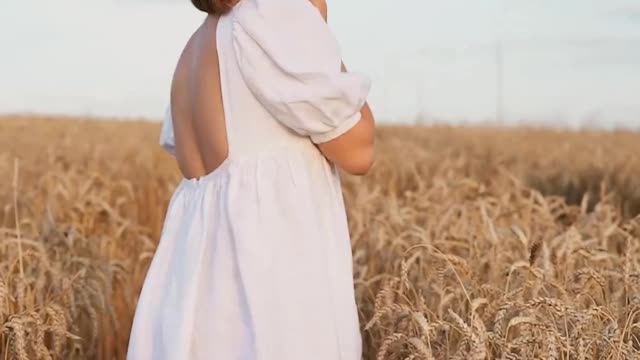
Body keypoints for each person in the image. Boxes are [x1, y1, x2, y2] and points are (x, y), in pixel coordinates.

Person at [126, 0, 375, 358]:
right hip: (271, 293)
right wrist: (318, 25)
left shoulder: (193, 49)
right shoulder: (273, 14)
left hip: (194, 304)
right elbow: (359, 150)